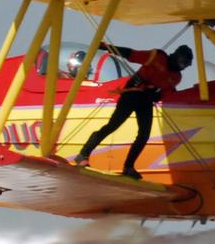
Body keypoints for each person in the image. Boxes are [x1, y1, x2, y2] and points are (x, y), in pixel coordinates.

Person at [71, 42, 193, 180]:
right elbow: (130, 54)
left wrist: (156, 96)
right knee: (113, 125)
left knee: (144, 135)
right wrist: (107, 47)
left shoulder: (176, 77)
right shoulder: (157, 57)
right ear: (176, 56)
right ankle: (83, 154)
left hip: (146, 101)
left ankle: (128, 167)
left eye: (186, 65)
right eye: (182, 62)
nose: (182, 66)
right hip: (131, 94)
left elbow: (165, 93)